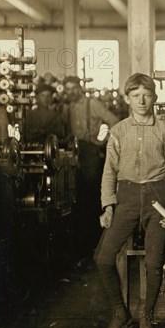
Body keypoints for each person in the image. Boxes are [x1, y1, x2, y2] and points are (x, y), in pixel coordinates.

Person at [95, 73, 165, 328]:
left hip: (159, 197)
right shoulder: (118, 131)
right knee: (103, 258)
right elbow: (109, 171)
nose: (142, 101)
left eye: (147, 95)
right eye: (136, 96)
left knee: (154, 262)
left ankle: (146, 317)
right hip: (127, 196)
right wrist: (108, 205)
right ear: (127, 99)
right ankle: (120, 316)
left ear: (154, 98)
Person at [63, 76, 119, 256]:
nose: (70, 92)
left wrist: (101, 141)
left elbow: (114, 121)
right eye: (67, 89)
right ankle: (83, 245)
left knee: (92, 196)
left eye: (73, 88)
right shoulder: (67, 108)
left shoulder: (91, 104)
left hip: (91, 152)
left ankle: (97, 243)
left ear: (80, 88)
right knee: (78, 198)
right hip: (75, 153)